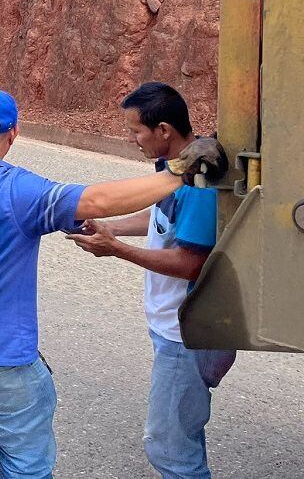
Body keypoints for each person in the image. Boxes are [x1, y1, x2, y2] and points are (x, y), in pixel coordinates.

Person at [0, 86, 226, 479]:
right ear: (14, 132)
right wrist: (179, 172)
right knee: (26, 464)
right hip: (2, 361)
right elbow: (99, 200)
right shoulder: (19, 191)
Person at [69, 82, 235, 479]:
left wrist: (116, 250)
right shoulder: (176, 170)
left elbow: (191, 262)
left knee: (169, 450)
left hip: (186, 336)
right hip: (177, 331)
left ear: (163, 130)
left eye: (135, 131)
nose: (132, 140)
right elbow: (159, 219)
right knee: (182, 436)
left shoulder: (198, 186)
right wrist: (110, 228)